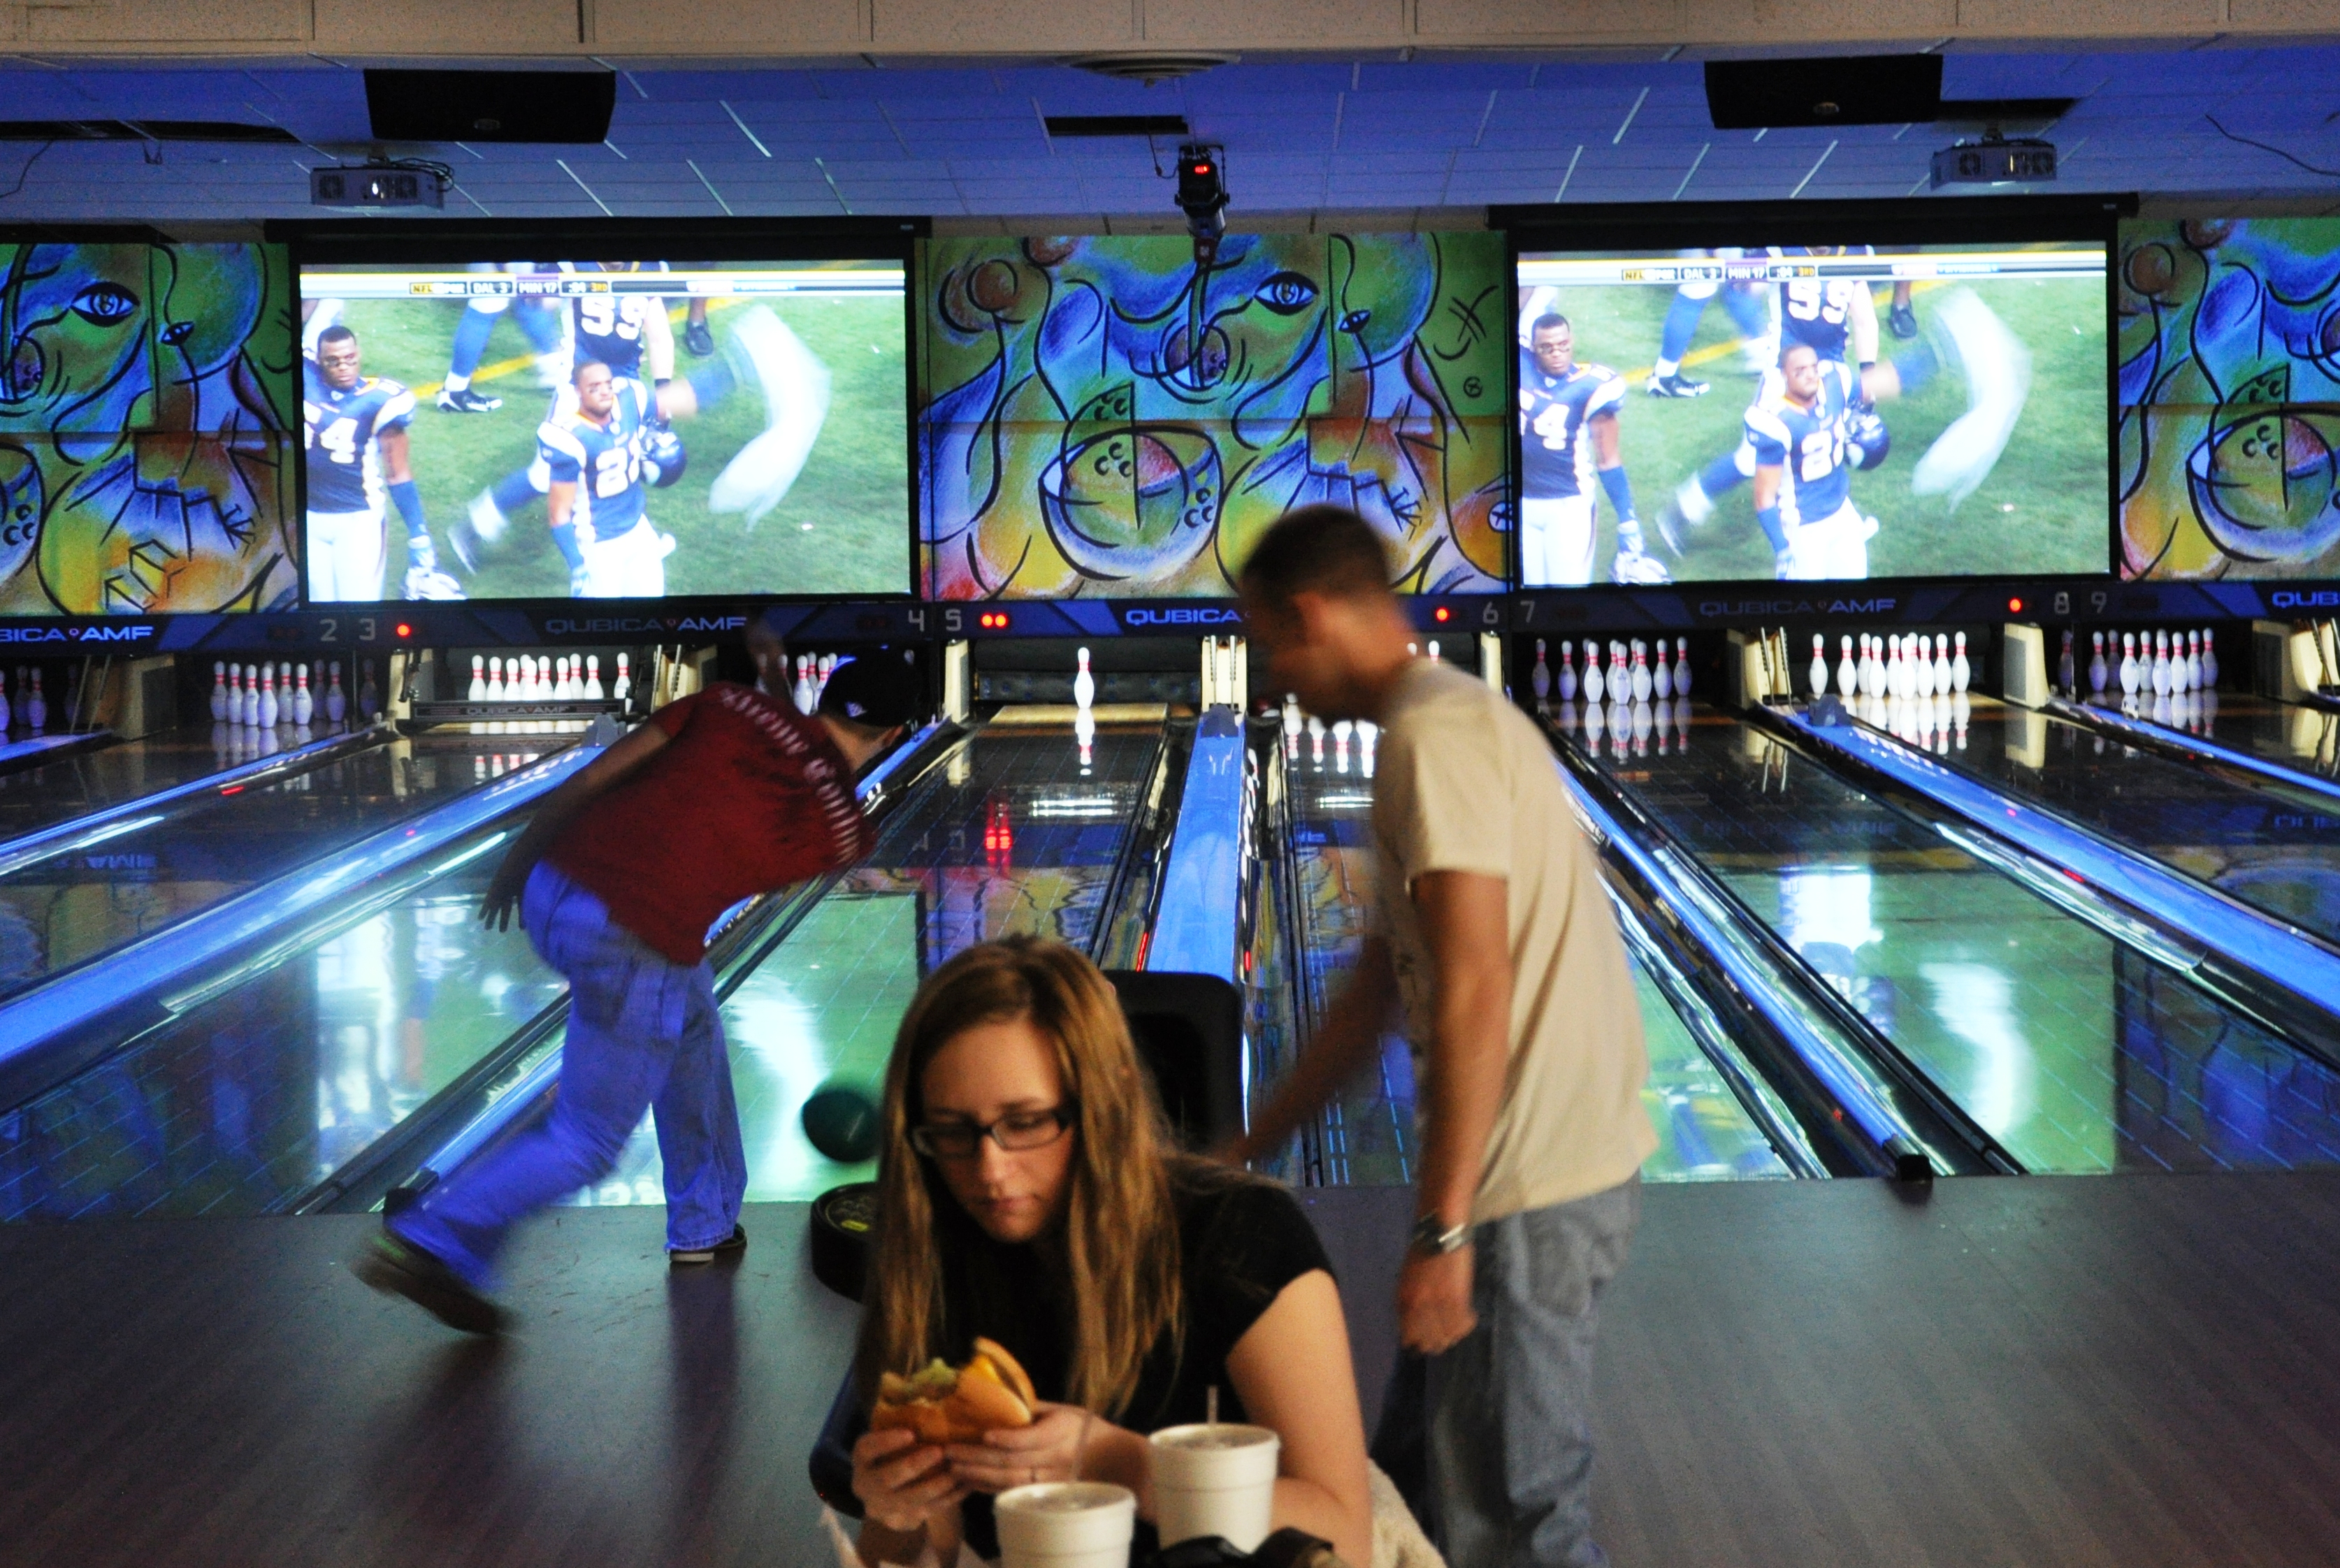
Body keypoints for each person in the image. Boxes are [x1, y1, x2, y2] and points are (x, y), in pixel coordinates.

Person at [1231, 503, 1656, 1568]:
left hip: (1523, 1196)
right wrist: (1240, 1149)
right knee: (1408, 1497)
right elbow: (1381, 987)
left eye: (1262, 644)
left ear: (1308, 615)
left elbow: (1473, 985)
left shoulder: (1433, 737)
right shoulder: (1436, 723)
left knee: (1516, 1522)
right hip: (1524, 1190)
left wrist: (1443, 1233)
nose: (1268, 677)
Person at [353, 622, 922, 1332]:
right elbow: (808, 778)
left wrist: (515, 864)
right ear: (898, 734)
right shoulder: (843, 832)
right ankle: (428, 1234)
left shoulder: (727, 705)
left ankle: (704, 1222)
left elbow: (595, 777)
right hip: (633, 939)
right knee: (588, 1139)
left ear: (824, 691)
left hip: (552, 886)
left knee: (690, 1022)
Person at [845, 938, 1373, 1568]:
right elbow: (918, 1553)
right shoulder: (933, 1256)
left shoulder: (1243, 1236)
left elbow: (1347, 1535)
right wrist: (894, 1513)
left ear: (1107, 1098)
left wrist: (1116, 1462)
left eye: (1026, 1122)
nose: (990, 1170)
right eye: (955, 1131)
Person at [302, 325, 463, 602]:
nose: (344, 366)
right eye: (333, 361)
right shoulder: (306, 380)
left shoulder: (380, 399)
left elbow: (398, 472)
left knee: (359, 609)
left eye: (350, 358)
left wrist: (418, 534)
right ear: (319, 360)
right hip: (306, 517)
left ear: (358, 354)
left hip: (357, 520)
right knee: (316, 608)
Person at [1515, 314, 1667, 588]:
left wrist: (1627, 520)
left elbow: (1608, 459)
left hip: (1567, 506)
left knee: (1567, 597)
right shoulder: (1521, 366)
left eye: (1563, 345)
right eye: (1547, 348)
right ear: (1534, 348)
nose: (1557, 354)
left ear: (1571, 341)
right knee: (1527, 597)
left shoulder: (1591, 385)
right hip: (1520, 503)